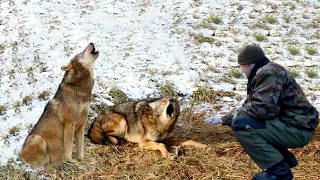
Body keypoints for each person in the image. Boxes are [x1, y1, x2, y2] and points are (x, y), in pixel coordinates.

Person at [204, 45, 319, 180]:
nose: (242, 70)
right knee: (244, 120)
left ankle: (278, 170)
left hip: (298, 130)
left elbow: (264, 109)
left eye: (242, 66)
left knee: (241, 124)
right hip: (294, 126)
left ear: (248, 64)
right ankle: (283, 160)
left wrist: (235, 117)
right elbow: (252, 106)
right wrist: (224, 119)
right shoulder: (267, 71)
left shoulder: (267, 74)